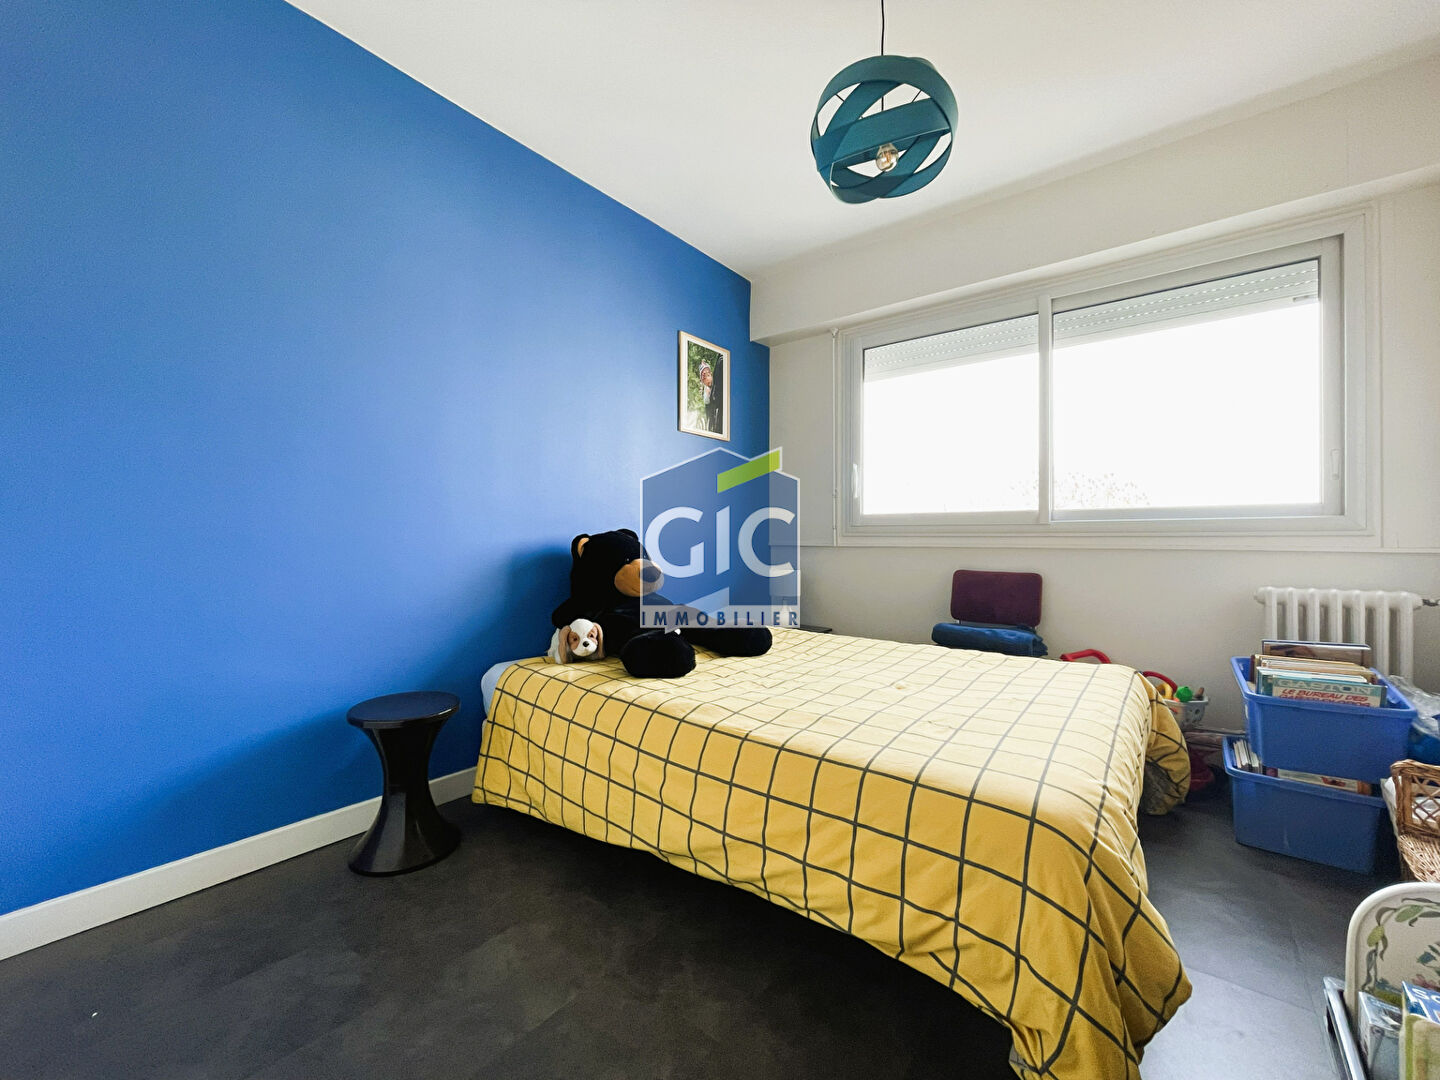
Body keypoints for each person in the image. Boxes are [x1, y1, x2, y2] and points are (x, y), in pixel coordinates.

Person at [698, 358, 723, 433]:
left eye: (708, 374)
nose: (706, 376)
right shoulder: (706, 393)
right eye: (704, 376)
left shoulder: (717, 382)